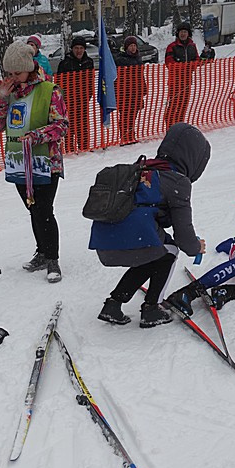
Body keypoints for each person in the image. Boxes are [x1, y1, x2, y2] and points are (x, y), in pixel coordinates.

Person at [90, 123, 209, 328]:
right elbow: (184, 236)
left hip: (103, 242)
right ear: (194, 159)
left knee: (153, 254)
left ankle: (113, 304)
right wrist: (196, 247)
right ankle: (152, 309)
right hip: (132, 241)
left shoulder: (144, 167)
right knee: (170, 251)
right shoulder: (178, 181)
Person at [0, 41, 69, 283]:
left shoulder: (49, 90)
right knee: (33, 209)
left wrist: (36, 136)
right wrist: (2, 98)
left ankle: (52, 258)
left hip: (46, 161)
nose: (13, 78)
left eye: (17, 73)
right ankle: (42, 251)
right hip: (18, 162)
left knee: (44, 210)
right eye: (9, 73)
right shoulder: (9, 92)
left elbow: (61, 125)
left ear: (30, 68)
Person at [57, 36, 95, 153]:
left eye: (81, 48)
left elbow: (91, 80)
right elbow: (59, 83)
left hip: (83, 99)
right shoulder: (65, 63)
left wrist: (88, 95)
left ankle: (84, 147)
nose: (79, 51)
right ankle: (69, 148)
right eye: (76, 48)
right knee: (70, 125)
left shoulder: (88, 62)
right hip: (69, 100)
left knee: (83, 125)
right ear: (72, 49)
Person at [164, 23, 200, 131]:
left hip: (187, 81)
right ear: (178, 33)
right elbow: (169, 63)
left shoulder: (192, 46)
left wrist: (193, 65)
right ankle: (170, 127)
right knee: (174, 105)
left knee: (183, 105)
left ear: (188, 34)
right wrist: (186, 67)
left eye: (185, 32)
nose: (183, 34)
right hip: (175, 82)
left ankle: (179, 126)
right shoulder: (172, 46)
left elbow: (196, 60)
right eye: (181, 32)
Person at [115, 36, 147, 146]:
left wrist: (144, 89)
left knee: (133, 115)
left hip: (136, 91)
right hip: (124, 92)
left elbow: (140, 75)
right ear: (126, 47)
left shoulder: (138, 58)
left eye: (134, 45)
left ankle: (131, 134)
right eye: (130, 46)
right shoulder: (121, 59)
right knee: (125, 115)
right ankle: (125, 136)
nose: (133, 48)